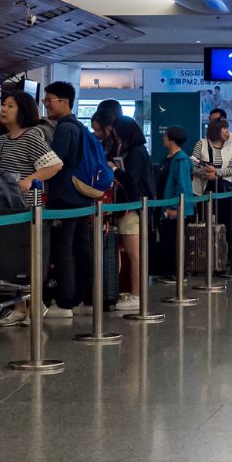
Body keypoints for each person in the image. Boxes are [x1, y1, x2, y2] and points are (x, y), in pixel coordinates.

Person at [0, 90, 61, 326]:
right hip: (6, 209)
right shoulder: (1, 141)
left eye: (10, 105)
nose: (4, 109)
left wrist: (29, 180)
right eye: (4, 105)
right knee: (12, 261)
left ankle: (36, 303)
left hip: (27, 209)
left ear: (23, 110)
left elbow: (54, 164)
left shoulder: (32, 136)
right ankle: (19, 306)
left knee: (29, 257)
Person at [41, 82, 95, 315]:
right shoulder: (80, 127)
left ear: (64, 102)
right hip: (81, 196)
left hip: (65, 197)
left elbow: (56, 162)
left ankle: (65, 301)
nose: (46, 105)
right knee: (82, 247)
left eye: (49, 100)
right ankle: (89, 296)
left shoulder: (64, 128)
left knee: (62, 248)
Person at [92, 101, 149, 311]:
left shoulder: (136, 153)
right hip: (129, 207)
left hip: (133, 209)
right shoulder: (134, 151)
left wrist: (115, 170)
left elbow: (132, 180)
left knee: (135, 254)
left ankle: (137, 295)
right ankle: (132, 291)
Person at [193, 114, 232, 277]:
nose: (227, 132)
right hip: (204, 189)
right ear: (216, 130)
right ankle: (203, 260)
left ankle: (229, 260)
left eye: (227, 128)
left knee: (228, 225)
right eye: (224, 128)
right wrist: (206, 172)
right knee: (204, 224)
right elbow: (193, 164)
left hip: (224, 190)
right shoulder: (201, 144)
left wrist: (216, 172)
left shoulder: (231, 147)